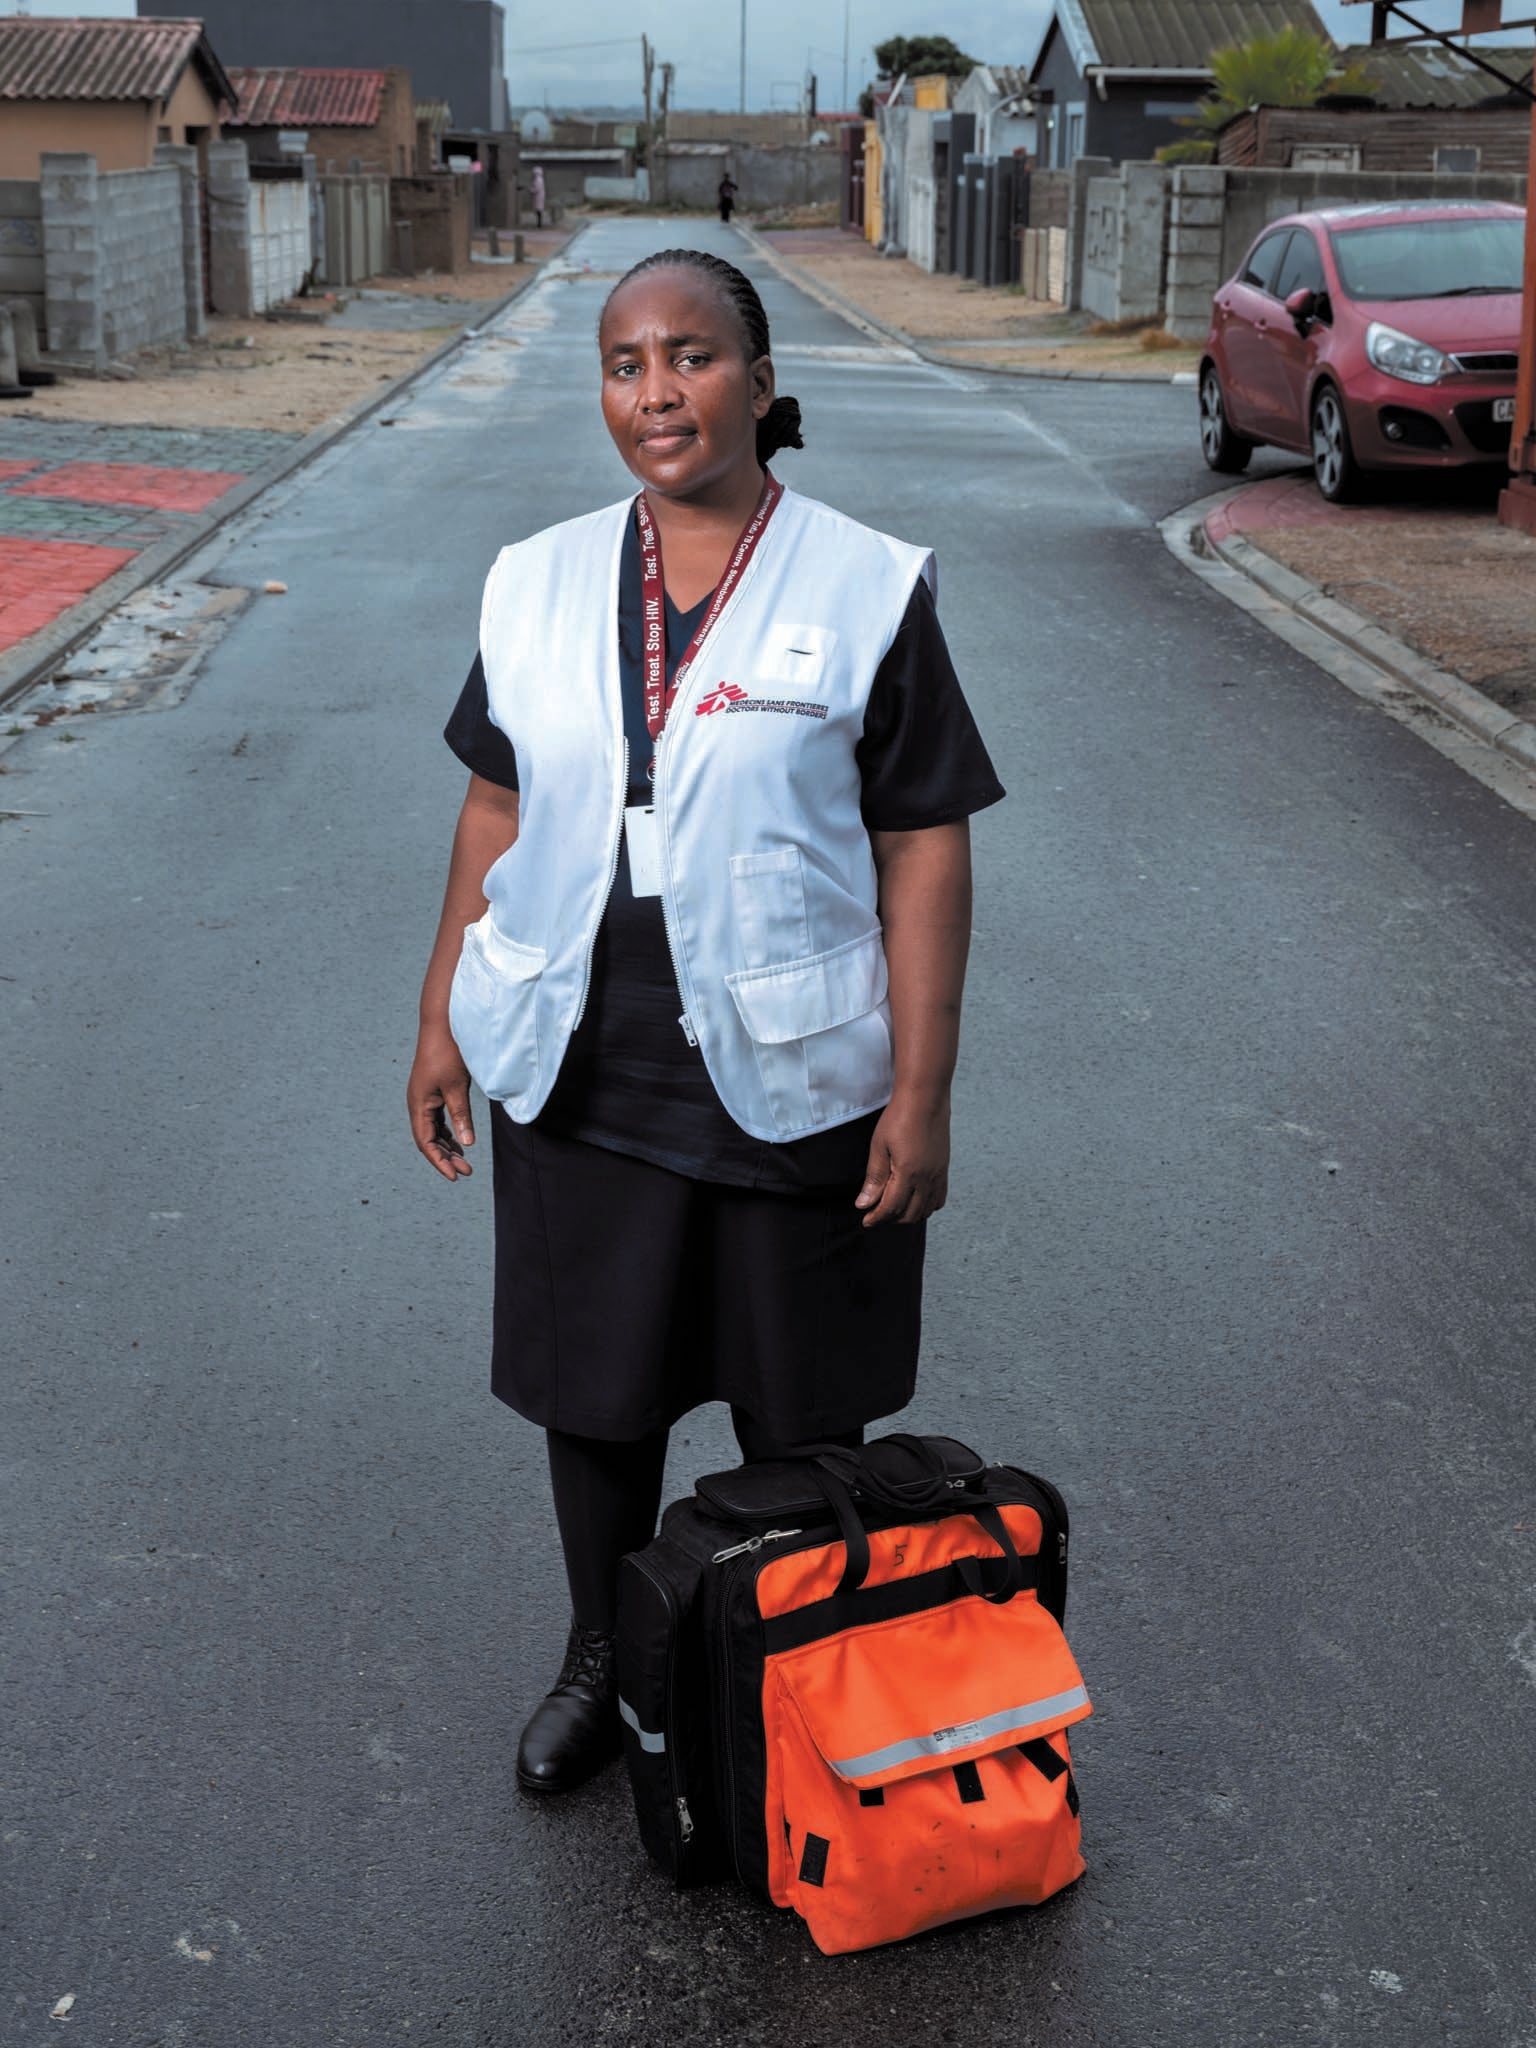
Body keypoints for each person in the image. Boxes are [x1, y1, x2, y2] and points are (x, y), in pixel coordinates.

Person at [409, 247, 1004, 1795]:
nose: (656, 392)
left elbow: (922, 836)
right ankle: (605, 1659)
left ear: (758, 376)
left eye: (690, 356)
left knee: (804, 1407)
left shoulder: (864, 583)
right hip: (577, 1056)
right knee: (591, 1395)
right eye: (624, 364)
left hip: (792, 1076)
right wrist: (440, 1018)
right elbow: (494, 802)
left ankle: (795, 1679)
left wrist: (922, 1089)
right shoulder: (534, 579)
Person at [531, 164, 546, 229]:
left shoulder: (538, 179)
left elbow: (537, 188)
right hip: (539, 196)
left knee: (539, 210)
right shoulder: (539, 179)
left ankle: (539, 224)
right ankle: (539, 223)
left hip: (538, 196)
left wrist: (532, 190)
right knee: (538, 210)